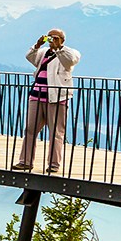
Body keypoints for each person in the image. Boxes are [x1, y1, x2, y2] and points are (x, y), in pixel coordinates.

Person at [13, 29, 80, 173]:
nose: (51, 40)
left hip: (56, 98)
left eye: (55, 37)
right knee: (30, 130)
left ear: (62, 39)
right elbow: (30, 57)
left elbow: (70, 61)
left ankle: (54, 164)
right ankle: (25, 161)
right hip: (36, 96)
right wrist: (37, 45)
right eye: (49, 37)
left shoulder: (70, 53)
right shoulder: (44, 52)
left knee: (56, 132)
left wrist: (59, 48)